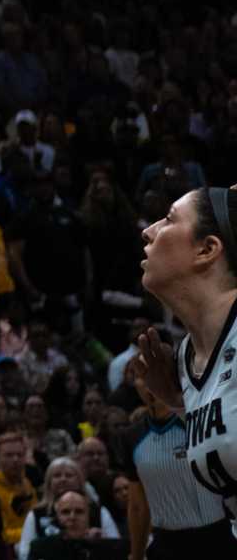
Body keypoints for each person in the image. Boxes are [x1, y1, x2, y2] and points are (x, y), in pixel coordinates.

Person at [130, 186, 237, 547]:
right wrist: (180, 402)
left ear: (207, 249)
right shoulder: (191, 354)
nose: (149, 231)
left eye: (170, 219)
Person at [125, 357, 227, 559]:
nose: (147, 381)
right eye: (139, 375)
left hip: (219, 537)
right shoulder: (131, 437)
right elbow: (138, 506)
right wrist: (135, 556)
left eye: (154, 372)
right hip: (166, 544)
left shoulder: (202, 421)